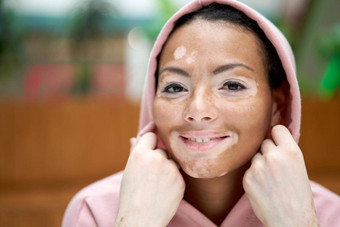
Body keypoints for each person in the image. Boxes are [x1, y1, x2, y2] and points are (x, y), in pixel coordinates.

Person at [62, 0, 340, 226]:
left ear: (278, 105)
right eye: (174, 87)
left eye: (232, 85)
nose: (198, 110)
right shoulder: (95, 212)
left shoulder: (329, 216)